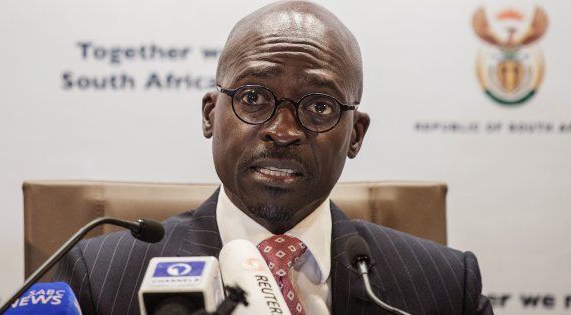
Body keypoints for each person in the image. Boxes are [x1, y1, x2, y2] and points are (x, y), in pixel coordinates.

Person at [55, 1, 493, 314]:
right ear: (211, 115)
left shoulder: (446, 288)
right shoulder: (100, 279)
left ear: (355, 135)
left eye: (319, 106)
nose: (282, 132)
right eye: (253, 97)